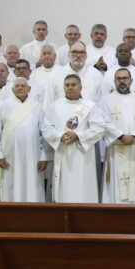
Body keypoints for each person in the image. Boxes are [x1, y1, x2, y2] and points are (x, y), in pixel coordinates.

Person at [41, 74, 106, 203]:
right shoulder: (55, 106)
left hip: (84, 155)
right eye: (67, 85)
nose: (70, 87)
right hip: (62, 152)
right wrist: (60, 136)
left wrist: (78, 136)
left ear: (81, 87)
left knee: (83, 187)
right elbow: (46, 127)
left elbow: (99, 128)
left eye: (73, 85)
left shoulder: (90, 106)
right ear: (63, 88)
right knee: (64, 188)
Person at [0, 77, 48, 202]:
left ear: (29, 89)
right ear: (12, 90)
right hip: (9, 157)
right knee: (10, 186)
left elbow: (45, 134)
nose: (20, 88)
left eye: (23, 85)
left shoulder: (37, 107)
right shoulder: (3, 106)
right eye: (17, 86)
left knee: (33, 186)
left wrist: (44, 157)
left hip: (33, 156)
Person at [100, 68, 135, 204]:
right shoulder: (107, 100)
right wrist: (121, 136)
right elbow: (105, 121)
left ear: (131, 81)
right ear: (114, 81)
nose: (122, 81)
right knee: (115, 189)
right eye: (118, 78)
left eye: (125, 78)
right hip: (116, 149)